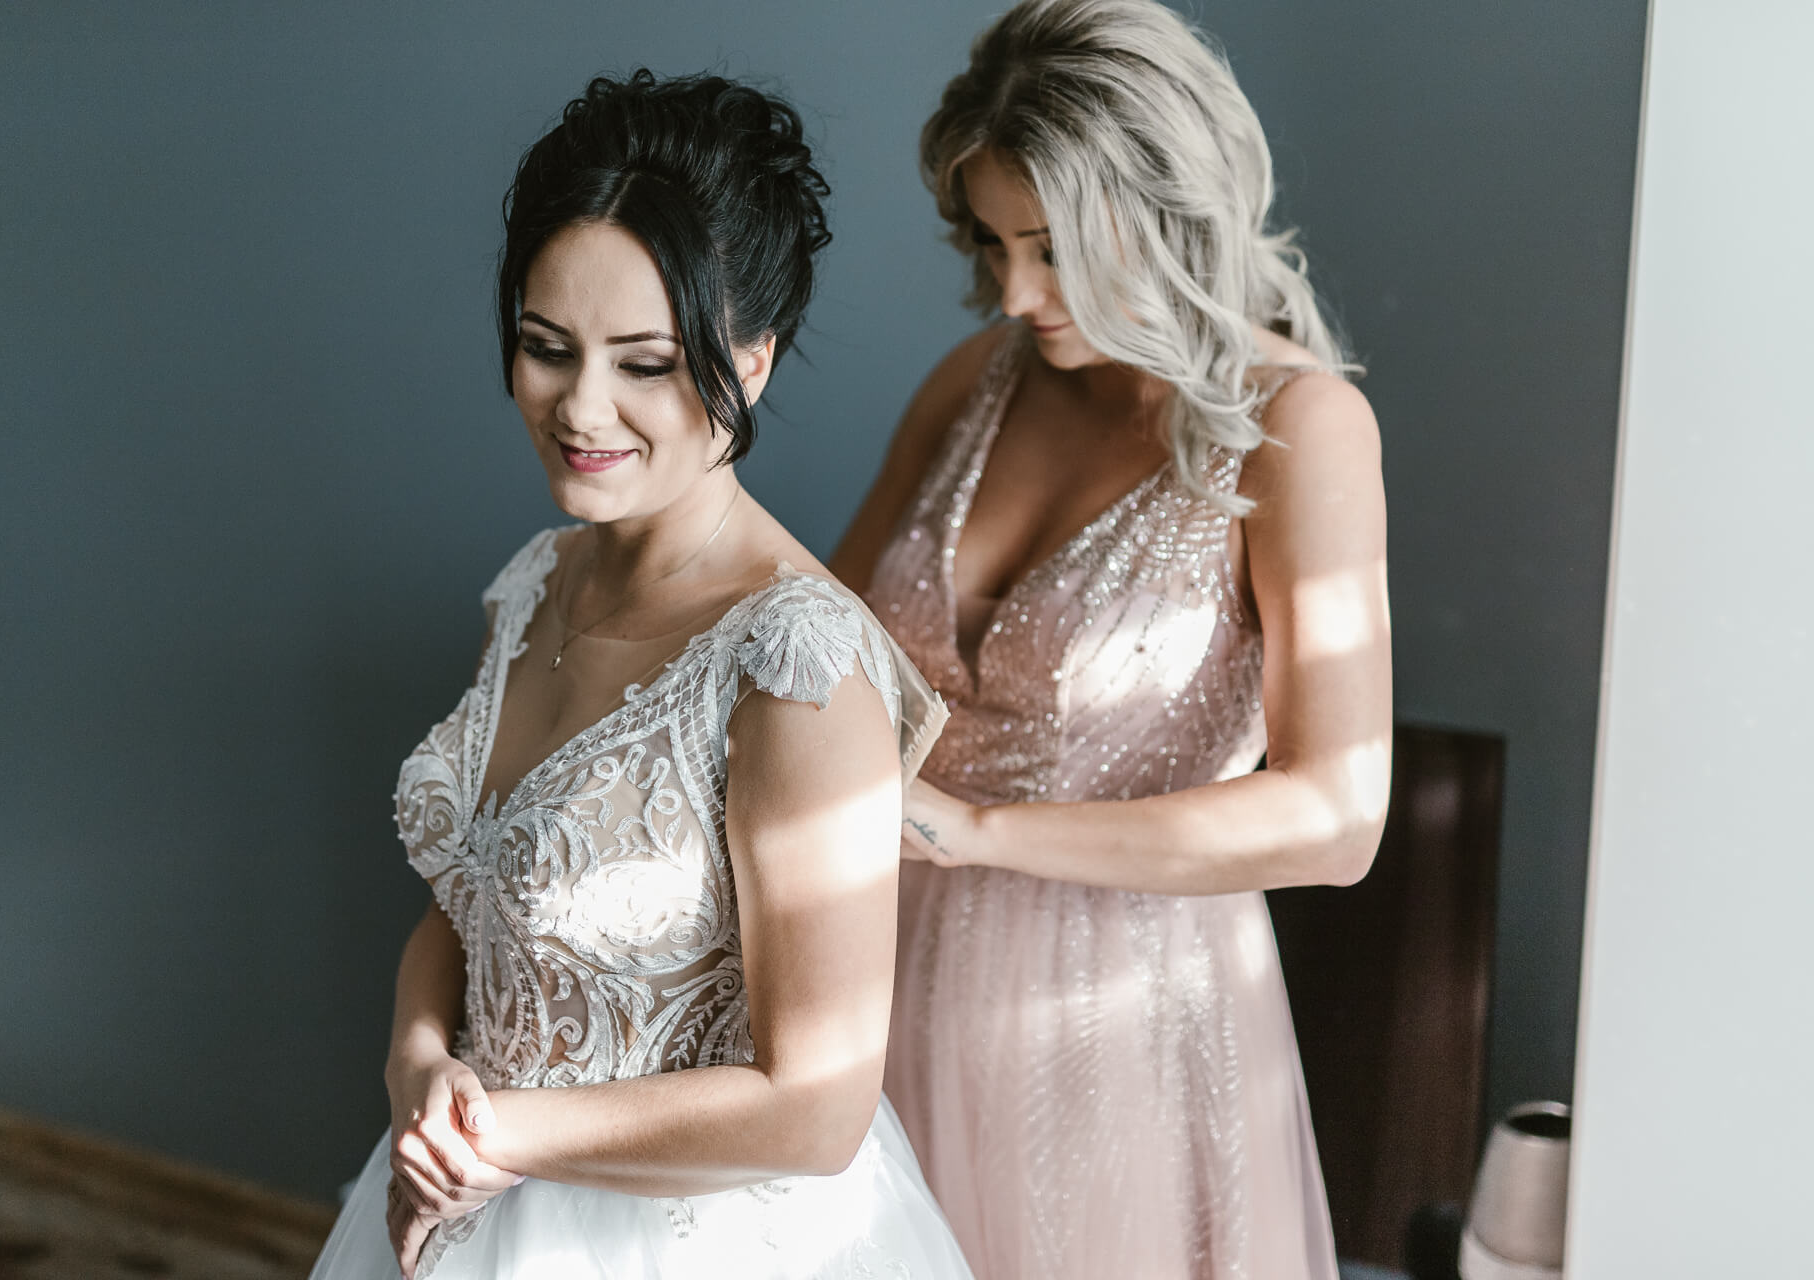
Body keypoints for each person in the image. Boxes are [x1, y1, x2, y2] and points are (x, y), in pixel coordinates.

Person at [310, 71, 972, 1280]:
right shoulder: (536, 583)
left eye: (647, 363)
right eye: (545, 348)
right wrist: (420, 1072)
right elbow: (464, 906)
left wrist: (504, 1136)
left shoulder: (798, 664)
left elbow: (817, 1107)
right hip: (472, 1179)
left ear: (751, 363)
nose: (582, 407)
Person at [829, 2, 1392, 1276]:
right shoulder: (972, 382)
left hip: (1120, 1023)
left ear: (1169, 210)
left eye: (1053, 248)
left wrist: (978, 829)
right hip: (889, 977)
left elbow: (1338, 815)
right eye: (992, 242)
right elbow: (821, 646)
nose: (1016, 293)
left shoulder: (1299, 430)